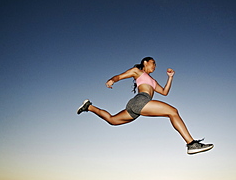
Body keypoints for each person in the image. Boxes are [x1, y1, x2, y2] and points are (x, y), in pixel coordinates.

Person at [77, 57, 214, 155]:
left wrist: (170, 77)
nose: (155, 66)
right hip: (141, 101)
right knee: (173, 111)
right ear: (145, 63)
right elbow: (120, 76)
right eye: (153, 63)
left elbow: (165, 92)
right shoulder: (138, 71)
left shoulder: (153, 81)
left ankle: (89, 107)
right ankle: (191, 144)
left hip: (136, 107)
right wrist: (112, 80)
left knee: (112, 120)